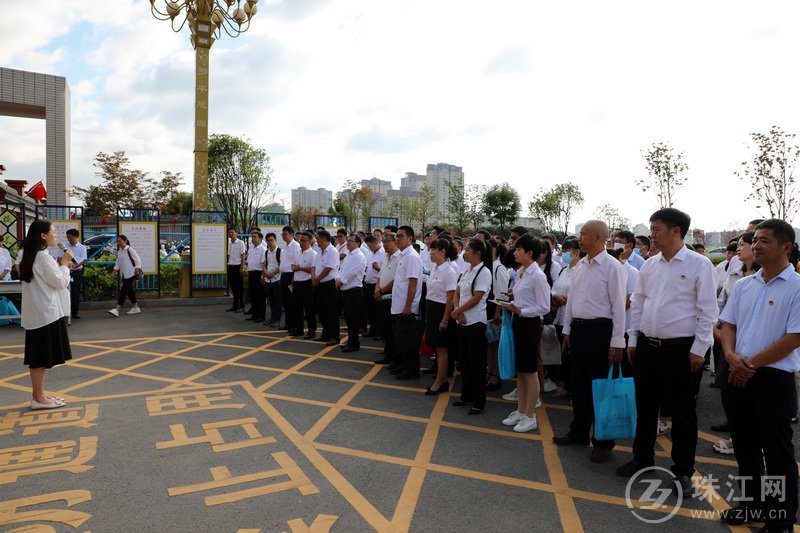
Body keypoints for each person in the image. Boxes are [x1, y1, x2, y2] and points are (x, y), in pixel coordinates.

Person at [617, 208, 718, 498]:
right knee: (645, 406)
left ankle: (683, 470)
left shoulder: (700, 265)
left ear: (676, 231)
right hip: (648, 346)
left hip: (681, 350)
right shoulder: (650, 265)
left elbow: (707, 311)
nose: (652, 235)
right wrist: (633, 340)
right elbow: (639, 304)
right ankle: (642, 457)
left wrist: (699, 349)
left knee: (682, 412)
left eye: (656, 229)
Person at [716, 219, 800, 530]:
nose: (756, 246)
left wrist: (747, 365)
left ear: (786, 247)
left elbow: (793, 338)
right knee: (745, 447)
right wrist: (730, 357)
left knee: (777, 453)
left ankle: (780, 519)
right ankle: (751, 506)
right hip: (736, 372)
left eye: (764, 240)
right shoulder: (744, 285)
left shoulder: (797, 287)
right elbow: (729, 325)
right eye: (755, 241)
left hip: (772, 380)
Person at [553, 220, 627, 464]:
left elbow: (619, 307)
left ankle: (603, 442)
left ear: (597, 238)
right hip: (579, 330)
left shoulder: (612, 267)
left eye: (583, 234)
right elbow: (573, 301)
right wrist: (567, 330)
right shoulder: (582, 265)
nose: (579, 238)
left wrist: (617, 343)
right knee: (580, 385)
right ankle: (579, 432)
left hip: (601, 332)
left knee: (601, 389)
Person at [20, 220, 73, 409]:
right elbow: (59, 282)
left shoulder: (26, 254)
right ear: (43, 235)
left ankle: (39, 394)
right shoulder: (42, 257)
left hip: (37, 312)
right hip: (46, 312)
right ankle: (38, 398)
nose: (55, 235)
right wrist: (65, 264)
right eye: (53, 232)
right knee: (40, 358)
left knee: (38, 356)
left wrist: (60, 265)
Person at [502, 235, 551, 432]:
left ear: (530, 253)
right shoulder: (521, 272)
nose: (514, 252)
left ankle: (530, 416)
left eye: (518, 249)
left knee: (530, 372)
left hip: (530, 325)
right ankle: (521, 411)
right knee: (521, 372)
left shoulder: (538, 276)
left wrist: (521, 311)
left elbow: (544, 307)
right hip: (519, 323)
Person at [451, 238, 493, 414]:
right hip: (462, 320)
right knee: (464, 360)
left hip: (475, 322)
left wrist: (459, 311)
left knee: (477, 363)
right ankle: (466, 394)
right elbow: (458, 292)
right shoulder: (467, 270)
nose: (464, 252)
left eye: (468, 250)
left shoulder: (484, 272)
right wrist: (457, 311)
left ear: (477, 253)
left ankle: (479, 400)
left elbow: (477, 297)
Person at [423, 238, 458, 395]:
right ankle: (441, 378)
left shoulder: (449, 271)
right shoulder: (436, 268)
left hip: (441, 311)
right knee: (437, 348)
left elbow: (450, 298)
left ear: (442, 251)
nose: (430, 253)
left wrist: (445, 319)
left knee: (442, 349)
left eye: (433, 250)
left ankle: (440, 382)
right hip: (431, 309)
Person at [390, 226, 424, 380]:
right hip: (399, 304)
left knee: (409, 341)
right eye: (396, 236)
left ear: (410, 238)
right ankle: (405, 365)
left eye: (401, 236)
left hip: (406, 306)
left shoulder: (411, 256)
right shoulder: (404, 255)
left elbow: (413, 283)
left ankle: (412, 370)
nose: (397, 239)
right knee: (402, 339)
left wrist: (408, 305)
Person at [551, 238, 582, 397]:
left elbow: (584, 294)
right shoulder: (564, 269)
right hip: (560, 317)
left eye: (568, 251)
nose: (564, 254)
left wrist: (568, 299)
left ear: (577, 252)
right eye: (564, 251)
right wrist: (556, 296)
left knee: (573, 356)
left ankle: (575, 391)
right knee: (564, 356)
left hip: (573, 318)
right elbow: (553, 288)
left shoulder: (582, 270)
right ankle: (567, 387)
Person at [337, 233, 366, 352]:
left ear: (358, 244)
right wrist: (338, 279)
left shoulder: (359, 255)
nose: (348, 242)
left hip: (354, 291)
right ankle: (350, 341)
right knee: (348, 319)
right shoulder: (349, 255)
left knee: (353, 320)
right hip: (346, 290)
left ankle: (354, 344)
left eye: (351, 241)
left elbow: (353, 272)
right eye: (348, 240)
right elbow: (342, 269)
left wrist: (341, 281)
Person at [375, 232, 400, 366]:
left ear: (394, 242)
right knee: (385, 327)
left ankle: (393, 356)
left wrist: (381, 291)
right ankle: (388, 353)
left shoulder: (399, 257)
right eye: (383, 242)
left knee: (392, 329)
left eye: (386, 241)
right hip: (381, 294)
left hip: (391, 295)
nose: (384, 244)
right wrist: (377, 289)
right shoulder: (385, 256)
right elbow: (380, 275)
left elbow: (396, 279)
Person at [313, 230, 340, 345]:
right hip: (319, 284)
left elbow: (328, 269)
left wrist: (317, 279)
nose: (316, 240)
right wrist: (313, 277)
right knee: (321, 310)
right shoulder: (319, 251)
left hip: (329, 285)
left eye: (317, 238)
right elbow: (313, 266)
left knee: (331, 312)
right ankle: (325, 333)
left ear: (324, 239)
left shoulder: (333, 251)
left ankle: (334, 336)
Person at [291, 231, 317, 339]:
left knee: (309, 308)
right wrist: (293, 278)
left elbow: (313, 269)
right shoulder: (297, 252)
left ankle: (311, 331)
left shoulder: (313, 254)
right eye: (300, 240)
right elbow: (294, 266)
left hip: (307, 283)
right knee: (297, 308)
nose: (301, 242)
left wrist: (300, 268)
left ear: (310, 241)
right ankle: (299, 329)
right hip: (297, 281)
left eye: (303, 240)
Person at [108, 235, 142, 317]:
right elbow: (118, 263)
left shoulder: (130, 249)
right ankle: (135, 307)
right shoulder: (120, 251)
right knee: (129, 291)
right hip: (124, 274)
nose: (118, 243)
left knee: (124, 291)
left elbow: (137, 259)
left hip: (131, 273)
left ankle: (117, 309)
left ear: (125, 241)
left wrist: (137, 268)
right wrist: (113, 272)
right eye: (118, 241)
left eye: (120, 241)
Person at [363, 235, 386, 338]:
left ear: (376, 243)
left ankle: (380, 332)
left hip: (378, 285)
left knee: (379, 311)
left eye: (371, 245)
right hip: (368, 283)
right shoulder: (370, 253)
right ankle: (372, 330)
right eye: (368, 246)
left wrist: (378, 268)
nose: (369, 247)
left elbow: (386, 271)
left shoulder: (384, 254)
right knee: (370, 310)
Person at [280, 226, 301, 332]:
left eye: (285, 234)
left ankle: (294, 325)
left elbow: (296, 263)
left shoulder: (295, 246)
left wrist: (294, 277)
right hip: (284, 275)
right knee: (286, 302)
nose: (283, 236)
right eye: (282, 234)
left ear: (291, 234)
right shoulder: (286, 246)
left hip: (291, 276)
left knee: (292, 302)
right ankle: (288, 323)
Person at [62, 229, 87, 319]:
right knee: (64, 291)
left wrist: (74, 267)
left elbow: (82, 260)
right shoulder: (65, 247)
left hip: (76, 272)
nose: (69, 239)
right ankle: (64, 312)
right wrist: (66, 266)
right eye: (68, 237)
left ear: (76, 237)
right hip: (65, 270)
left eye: (70, 237)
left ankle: (74, 312)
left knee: (75, 292)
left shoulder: (82, 248)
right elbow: (59, 257)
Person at [244, 231, 267, 323]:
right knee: (253, 295)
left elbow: (263, 264)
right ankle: (255, 314)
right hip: (251, 273)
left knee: (260, 296)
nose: (253, 238)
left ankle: (261, 316)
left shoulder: (263, 249)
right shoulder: (251, 248)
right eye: (252, 237)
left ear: (260, 239)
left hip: (259, 273)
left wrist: (262, 276)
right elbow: (248, 261)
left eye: (255, 237)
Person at [263, 233, 282, 327]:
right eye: (268, 240)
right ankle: (272, 318)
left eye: (271, 240)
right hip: (268, 280)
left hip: (277, 279)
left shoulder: (280, 251)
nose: (270, 242)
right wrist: (266, 273)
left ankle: (277, 320)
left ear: (275, 240)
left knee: (277, 301)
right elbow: (264, 264)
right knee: (271, 301)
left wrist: (272, 273)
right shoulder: (266, 252)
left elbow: (281, 266)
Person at [226, 228, 246, 312]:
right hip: (230, 266)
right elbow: (228, 255)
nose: (230, 234)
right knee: (233, 287)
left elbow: (243, 255)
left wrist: (242, 267)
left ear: (236, 233)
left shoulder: (241, 243)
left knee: (239, 287)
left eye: (232, 232)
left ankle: (241, 306)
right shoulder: (229, 243)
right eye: (229, 232)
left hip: (238, 267)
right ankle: (235, 304)